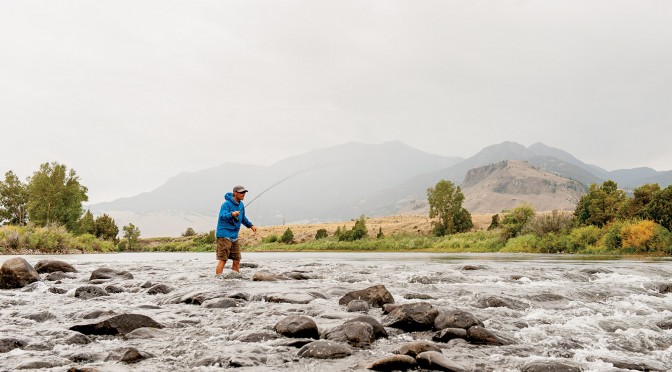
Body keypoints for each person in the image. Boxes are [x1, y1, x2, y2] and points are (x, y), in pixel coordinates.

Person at [216, 185, 257, 275]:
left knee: (237, 260)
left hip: (234, 236)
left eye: (244, 192)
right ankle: (218, 279)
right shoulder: (226, 204)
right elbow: (222, 216)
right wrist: (232, 214)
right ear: (235, 193)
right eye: (241, 192)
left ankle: (235, 280)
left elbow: (243, 218)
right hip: (224, 235)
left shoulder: (241, 204)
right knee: (223, 259)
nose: (244, 194)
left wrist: (251, 225)